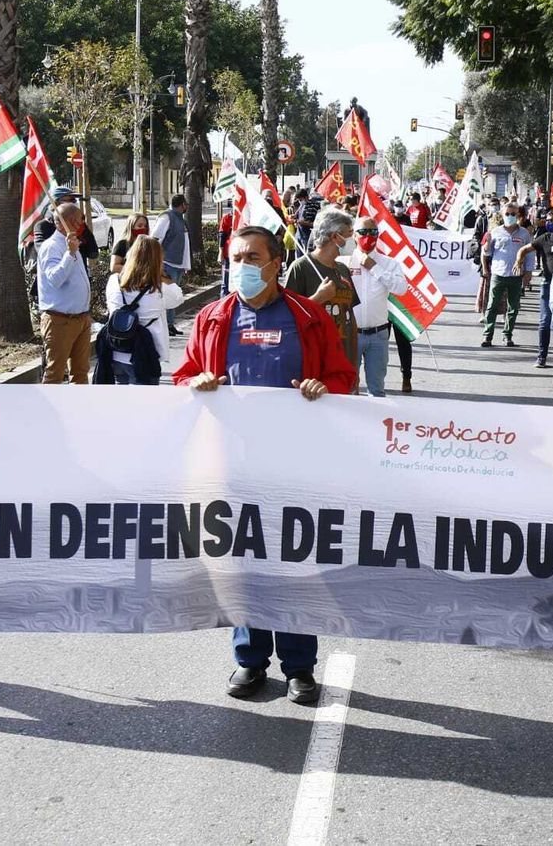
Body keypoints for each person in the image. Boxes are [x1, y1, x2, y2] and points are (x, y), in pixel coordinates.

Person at [173, 225, 356, 704]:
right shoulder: (213, 317)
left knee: (295, 565)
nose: (242, 266)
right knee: (243, 566)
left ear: (276, 264)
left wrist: (324, 389)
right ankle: (250, 659)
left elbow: (342, 378)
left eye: (252, 258)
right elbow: (183, 376)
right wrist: (197, 382)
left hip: (298, 467)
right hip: (233, 467)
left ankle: (299, 666)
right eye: (236, 257)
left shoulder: (308, 316)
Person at [284, 207, 359, 376]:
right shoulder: (300, 268)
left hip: (342, 362)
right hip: (313, 364)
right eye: (349, 234)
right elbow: (286, 317)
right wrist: (318, 298)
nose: (354, 239)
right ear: (335, 237)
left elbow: (351, 318)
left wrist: (354, 364)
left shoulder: (343, 269)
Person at [98, 235, 181, 385]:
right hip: (144, 354)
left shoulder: (114, 281)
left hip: (116, 350)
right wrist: (162, 276)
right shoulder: (159, 288)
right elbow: (178, 298)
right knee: (145, 398)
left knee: (120, 395)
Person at [347, 215, 409, 397]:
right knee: (349, 389)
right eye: (363, 232)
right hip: (351, 335)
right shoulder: (343, 262)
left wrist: (374, 267)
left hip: (378, 335)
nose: (368, 236)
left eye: (373, 232)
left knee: (377, 391)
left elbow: (401, 288)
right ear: (354, 235)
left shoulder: (389, 263)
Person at [37, 202, 94, 385]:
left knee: (81, 371)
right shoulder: (51, 247)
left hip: (81, 318)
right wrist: (69, 254)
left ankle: (77, 402)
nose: (81, 224)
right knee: (55, 372)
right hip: (60, 320)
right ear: (64, 222)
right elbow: (55, 279)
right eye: (77, 220)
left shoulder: (73, 243)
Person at [480, 202, 534, 347]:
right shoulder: (495, 232)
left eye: (513, 214)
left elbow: (530, 253)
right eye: (507, 214)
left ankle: (507, 335)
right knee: (492, 306)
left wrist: (529, 271)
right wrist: (486, 246)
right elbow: (487, 253)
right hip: (498, 274)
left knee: (513, 308)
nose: (510, 216)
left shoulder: (524, 233)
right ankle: (487, 336)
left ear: (518, 215)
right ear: (502, 215)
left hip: (516, 275)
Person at [522, 207, 553, 368]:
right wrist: (519, 262)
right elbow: (525, 249)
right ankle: (541, 356)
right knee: (545, 321)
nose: (547, 223)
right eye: (546, 220)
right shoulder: (545, 238)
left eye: (550, 221)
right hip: (548, 284)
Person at [152, 194, 192, 335]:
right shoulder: (167, 217)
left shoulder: (180, 219)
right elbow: (155, 239)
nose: (187, 207)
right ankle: (165, 326)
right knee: (166, 296)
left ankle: (170, 324)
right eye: (186, 204)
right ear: (182, 205)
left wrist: (186, 265)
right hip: (167, 264)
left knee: (172, 296)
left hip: (178, 264)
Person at [35, 186, 99, 263]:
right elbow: (44, 253)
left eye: (74, 200)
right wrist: (70, 249)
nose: (74, 203)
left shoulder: (79, 224)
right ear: (56, 203)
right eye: (70, 200)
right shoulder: (43, 226)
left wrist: (83, 233)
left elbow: (93, 253)